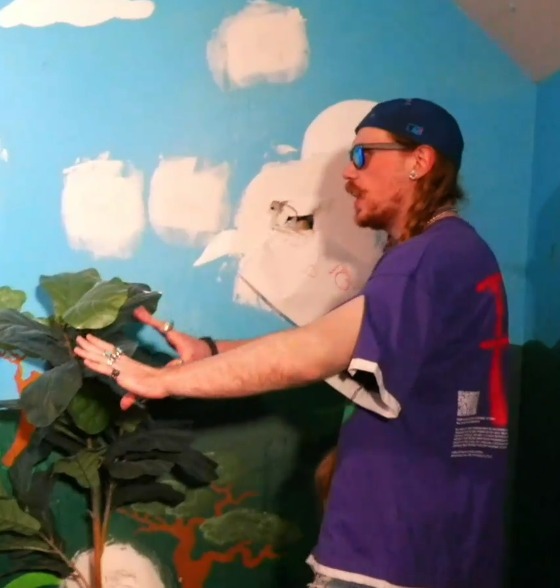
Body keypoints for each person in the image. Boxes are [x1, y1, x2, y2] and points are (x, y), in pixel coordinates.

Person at [75, 98, 509, 588]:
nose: (348, 172)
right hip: (439, 549)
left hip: (395, 558)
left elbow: (315, 350)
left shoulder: (425, 259)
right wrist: (210, 352)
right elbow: (341, 345)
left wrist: (159, 381)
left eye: (363, 155)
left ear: (420, 161)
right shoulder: (455, 255)